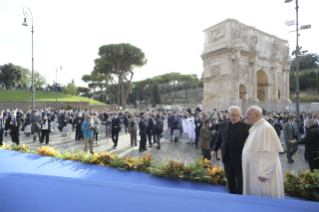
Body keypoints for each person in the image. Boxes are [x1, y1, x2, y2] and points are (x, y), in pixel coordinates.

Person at [242, 106, 284, 199]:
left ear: (257, 114)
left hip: (261, 176)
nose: (246, 116)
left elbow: (271, 152)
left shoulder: (266, 128)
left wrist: (265, 173)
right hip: (254, 171)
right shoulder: (257, 127)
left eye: (248, 114)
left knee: (264, 198)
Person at [211, 106, 250, 195]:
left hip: (240, 159)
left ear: (240, 115)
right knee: (230, 179)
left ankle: (240, 197)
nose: (235, 117)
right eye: (233, 115)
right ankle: (232, 196)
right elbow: (218, 139)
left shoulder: (246, 127)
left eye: (237, 115)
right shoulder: (222, 125)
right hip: (227, 157)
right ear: (228, 114)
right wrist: (214, 150)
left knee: (241, 180)